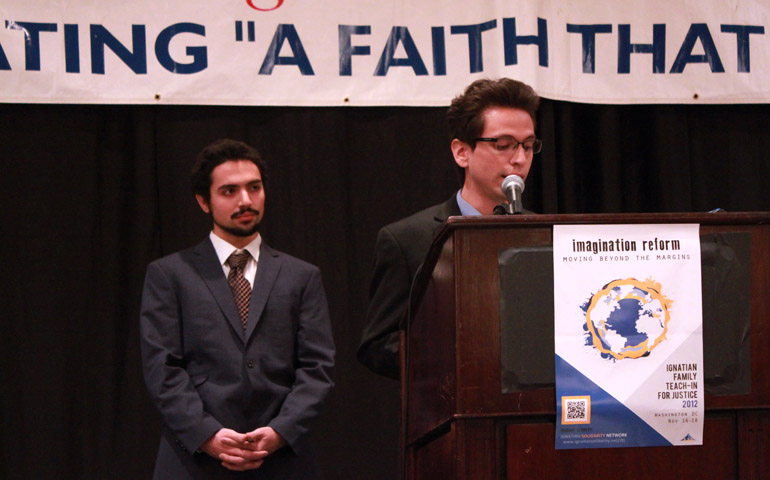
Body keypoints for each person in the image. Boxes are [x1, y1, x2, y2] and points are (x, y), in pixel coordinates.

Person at [140, 139, 335, 479]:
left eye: (254, 188)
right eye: (229, 191)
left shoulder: (302, 276)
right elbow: (162, 367)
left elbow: (317, 368)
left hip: (283, 460)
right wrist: (206, 435)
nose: (245, 200)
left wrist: (280, 432)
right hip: (194, 461)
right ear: (204, 201)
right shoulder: (169, 274)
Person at [358, 78, 541, 379]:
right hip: (450, 412)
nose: (519, 159)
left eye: (528, 146)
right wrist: (458, 356)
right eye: (504, 145)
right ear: (462, 152)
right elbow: (378, 345)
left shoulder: (542, 232)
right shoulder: (407, 240)